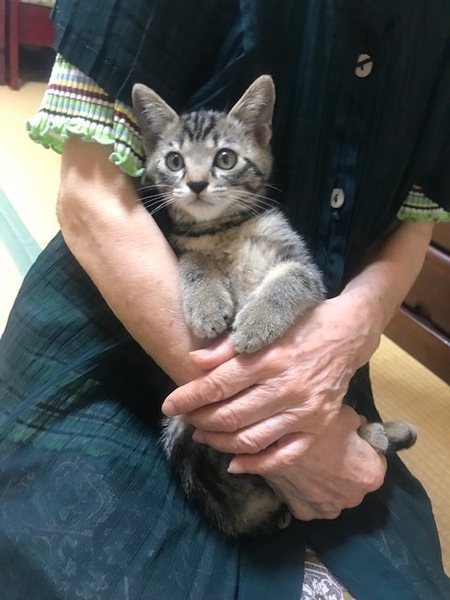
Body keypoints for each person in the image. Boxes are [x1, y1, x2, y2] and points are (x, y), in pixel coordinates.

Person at [1, 0, 449, 598]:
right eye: (177, 163)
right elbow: (88, 197)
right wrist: (279, 432)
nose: (195, 180)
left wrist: (354, 325)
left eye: (222, 160)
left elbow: (415, 218)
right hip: (116, 341)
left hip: (315, 354)